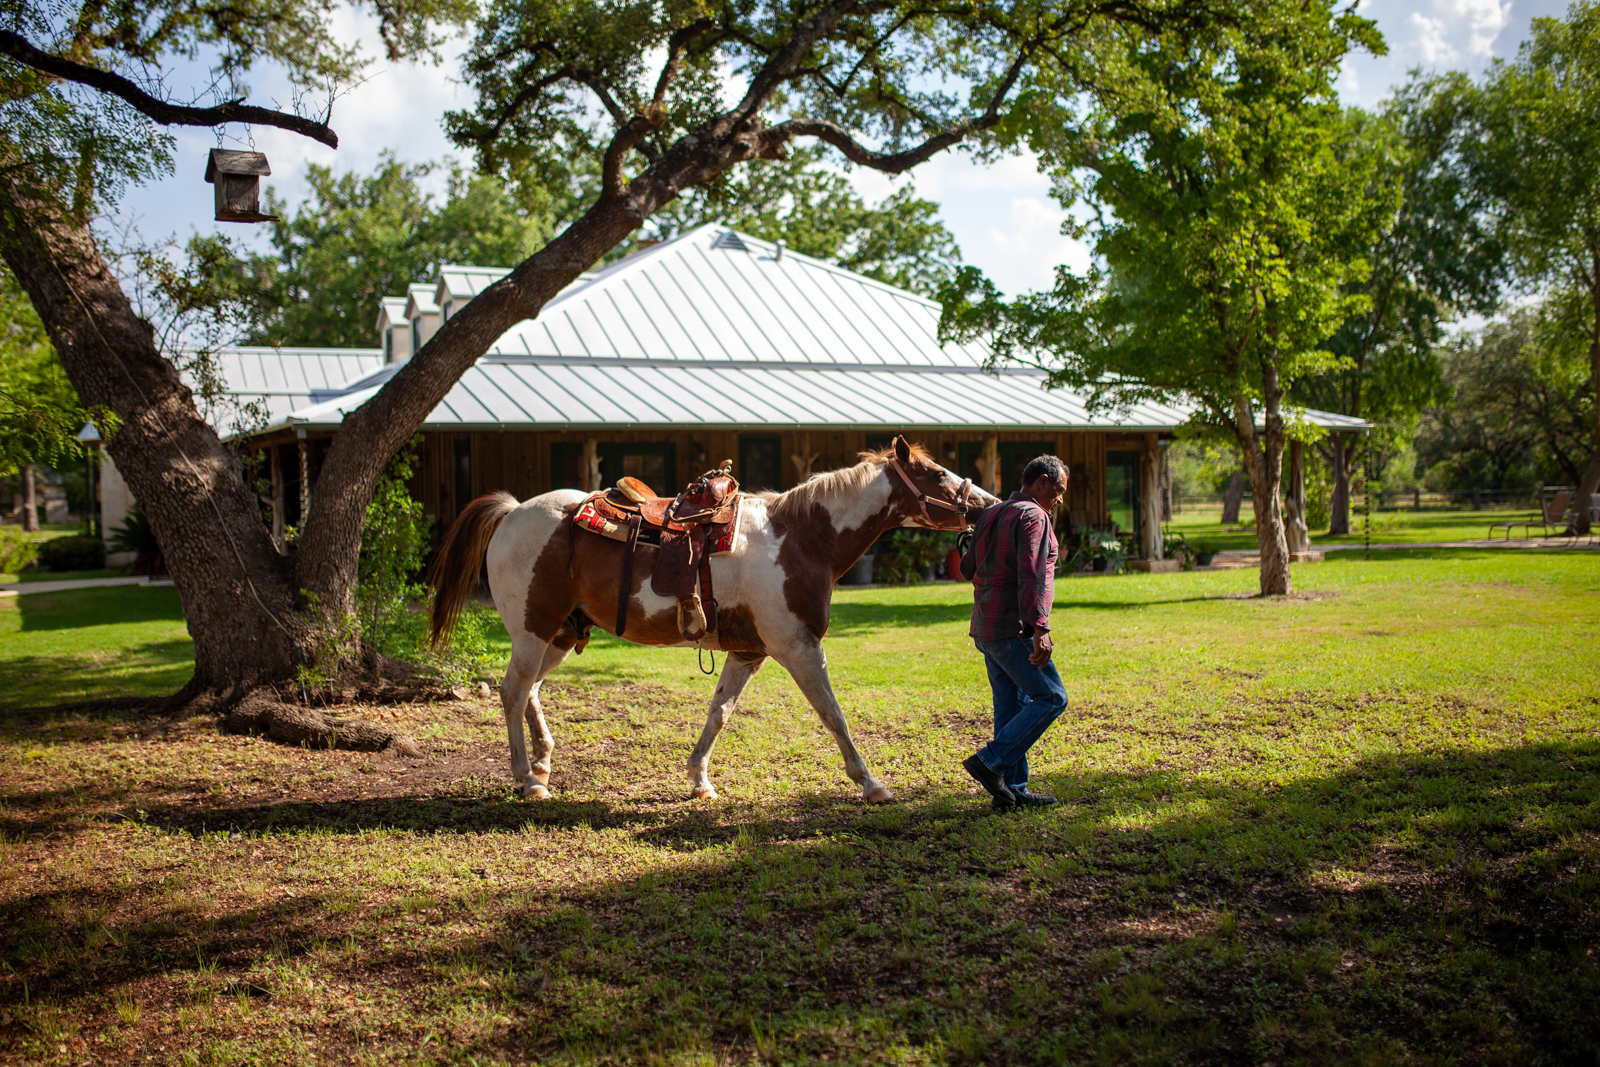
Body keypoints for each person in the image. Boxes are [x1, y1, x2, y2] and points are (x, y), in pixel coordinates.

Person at [958, 455, 1070, 809]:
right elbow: (1033, 574)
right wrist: (1040, 627)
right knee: (1052, 698)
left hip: (986, 630)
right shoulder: (1034, 516)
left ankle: (1011, 792)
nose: (1060, 498)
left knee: (1011, 707)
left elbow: (967, 569)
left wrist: (971, 536)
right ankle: (989, 761)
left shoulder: (991, 513)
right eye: (1059, 490)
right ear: (1041, 482)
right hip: (1013, 630)